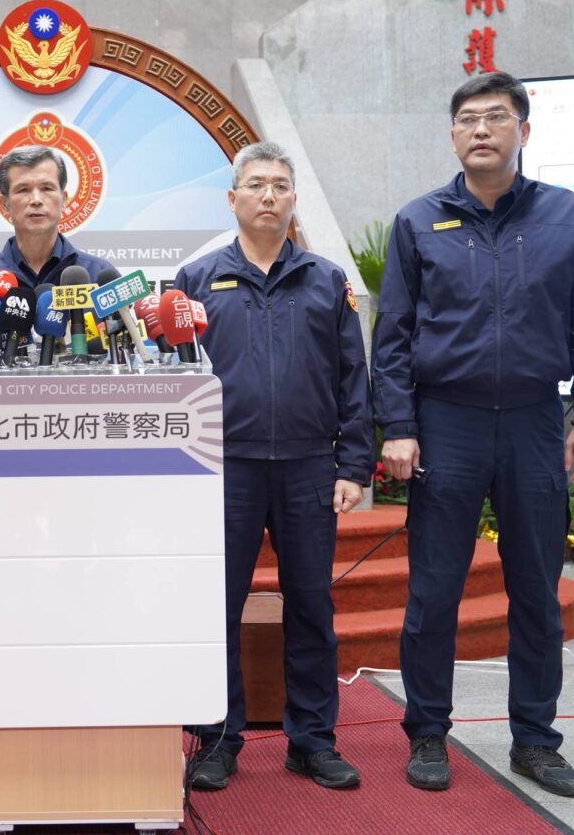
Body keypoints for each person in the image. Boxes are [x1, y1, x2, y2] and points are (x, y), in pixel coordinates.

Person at [372, 71, 574, 798]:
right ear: (453, 135)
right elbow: (394, 333)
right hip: (447, 422)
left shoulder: (566, 216)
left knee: (536, 589)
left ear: (523, 131)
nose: (481, 129)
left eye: (497, 117)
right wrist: (399, 426)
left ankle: (535, 741)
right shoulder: (419, 221)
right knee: (434, 589)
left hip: (536, 421)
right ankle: (427, 732)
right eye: (468, 119)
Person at [174, 141, 373, 792]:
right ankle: (216, 739)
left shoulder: (326, 280)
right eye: (256, 185)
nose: (268, 195)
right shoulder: (196, 280)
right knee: (216, 609)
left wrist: (354, 465)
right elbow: (175, 379)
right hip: (222, 470)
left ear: (293, 199)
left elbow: (353, 378)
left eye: (280, 185)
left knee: (311, 605)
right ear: (232, 199)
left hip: (309, 468)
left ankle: (312, 741)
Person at [0, 146, 111, 288]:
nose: (36, 200)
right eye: (23, 190)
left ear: (63, 200)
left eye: (47, 188)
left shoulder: (99, 275)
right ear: (5, 204)